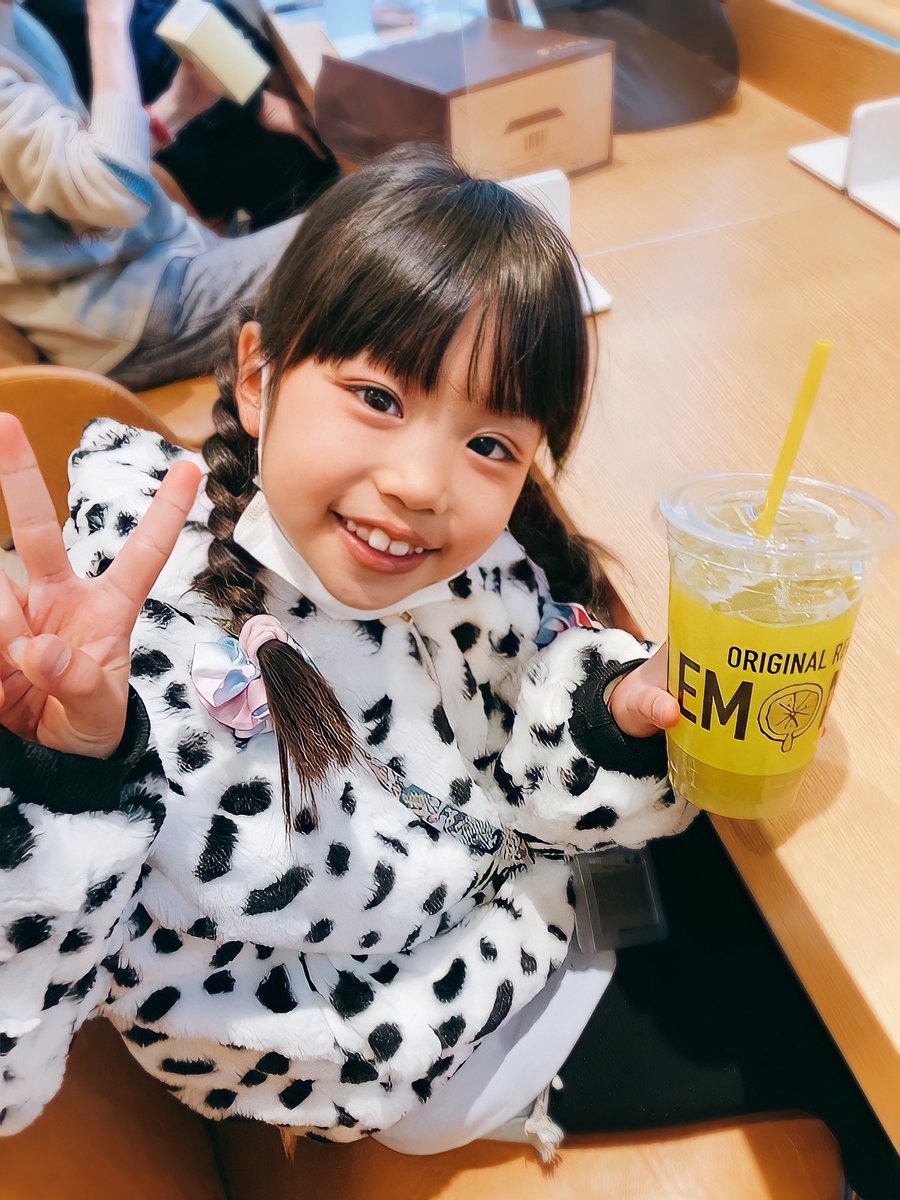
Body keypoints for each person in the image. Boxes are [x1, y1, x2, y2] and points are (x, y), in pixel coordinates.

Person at [0, 150, 695, 1156]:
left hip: (536, 906)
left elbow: (521, 704)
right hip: (436, 1052)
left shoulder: (458, 566)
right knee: (812, 1048)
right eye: (379, 397)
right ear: (258, 377)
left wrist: (608, 714)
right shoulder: (129, 666)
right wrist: (64, 779)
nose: (422, 483)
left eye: (490, 445)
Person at [0, 0, 307, 390]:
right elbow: (112, 192)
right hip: (127, 320)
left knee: (359, 217)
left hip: (161, 263)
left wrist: (175, 109)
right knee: (358, 224)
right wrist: (107, 19)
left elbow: (78, 168)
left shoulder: (15, 21)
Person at [21, 0, 338, 231]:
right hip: (196, 130)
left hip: (213, 92)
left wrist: (267, 75)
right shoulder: (51, 16)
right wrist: (259, 102)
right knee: (311, 170)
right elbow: (163, 52)